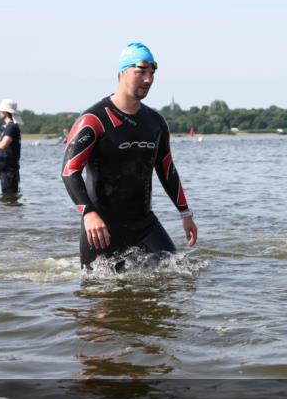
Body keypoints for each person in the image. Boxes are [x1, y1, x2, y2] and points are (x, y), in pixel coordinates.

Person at [62, 42, 197, 269]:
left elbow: (167, 170)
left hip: (145, 224)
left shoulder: (155, 123)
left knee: (181, 274)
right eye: (141, 72)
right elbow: (70, 171)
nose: (148, 79)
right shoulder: (94, 119)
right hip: (102, 228)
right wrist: (88, 214)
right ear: (122, 72)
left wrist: (185, 213)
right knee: (99, 289)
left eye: (152, 73)